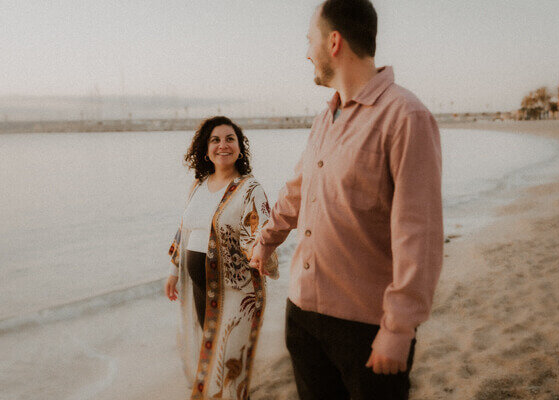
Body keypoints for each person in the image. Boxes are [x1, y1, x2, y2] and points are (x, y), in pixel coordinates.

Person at [250, 0, 443, 399]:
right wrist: (266, 240)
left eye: (311, 40)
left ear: (334, 42)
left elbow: (418, 232)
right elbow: (298, 190)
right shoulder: (326, 117)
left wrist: (399, 329)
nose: (307, 52)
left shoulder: (405, 116)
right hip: (303, 316)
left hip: (367, 328)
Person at [165, 116, 277, 400]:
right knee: (210, 354)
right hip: (201, 290)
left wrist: (260, 252)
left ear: (240, 148)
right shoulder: (199, 185)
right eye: (215, 140)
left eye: (230, 139)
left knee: (230, 363)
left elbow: (262, 233)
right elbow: (184, 228)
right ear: (206, 149)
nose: (223, 145)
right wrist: (173, 270)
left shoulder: (249, 189)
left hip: (235, 293)